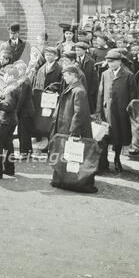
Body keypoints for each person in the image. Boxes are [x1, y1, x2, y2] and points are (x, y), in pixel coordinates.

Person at [51, 64, 96, 193]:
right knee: (66, 155)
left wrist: (73, 131)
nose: (64, 78)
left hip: (72, 129)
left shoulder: (79, 91)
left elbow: (79, 113)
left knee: (75, 156)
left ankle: (76, 181)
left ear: (73, 76)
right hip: (65, 126)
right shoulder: (73, 87)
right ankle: (65, 179)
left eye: (65, 75)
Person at [96, 49, 137, 173]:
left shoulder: (128, 75)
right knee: (105, 136)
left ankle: (117, 159)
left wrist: (130, 111)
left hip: (121, 111)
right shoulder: (105, 74)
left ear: (119, 62)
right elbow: (100, 92)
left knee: (118, 136)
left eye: (113, 62)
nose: (110, 64)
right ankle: (104, 161)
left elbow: (133, 95)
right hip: (107, 109)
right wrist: (98, 110)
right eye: (108, 62)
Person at [14, 60, 35, 160]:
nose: (17, 71)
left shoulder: (24, 81)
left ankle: (24, 153)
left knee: (23, 133)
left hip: (25, 111)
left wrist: (15, 111)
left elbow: (21, 99)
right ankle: (29, 151)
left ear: (23, 70)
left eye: (18, 69)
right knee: (25, 132)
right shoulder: (24, 79)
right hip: (27, 111)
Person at [74, 41, 98, 113]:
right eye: (76, 50)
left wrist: (92, 90)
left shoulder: (91, 61)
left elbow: (94, 78)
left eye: (79, 50)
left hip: (88, 87)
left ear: (84, 50)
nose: (77, 52)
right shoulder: (75, 60)